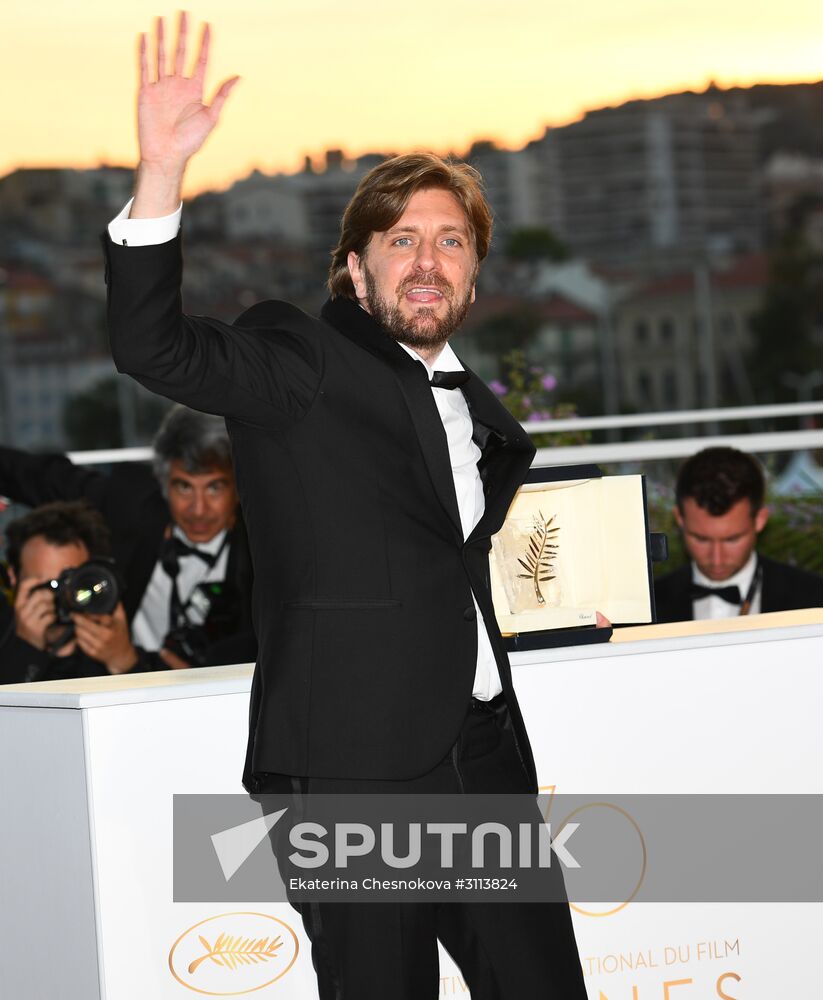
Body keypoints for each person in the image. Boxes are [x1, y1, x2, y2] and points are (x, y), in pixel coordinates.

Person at [103, 13, 586, 998]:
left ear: (474, 271)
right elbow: (159, 349)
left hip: (482, 753)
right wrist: (160, 176)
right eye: (400, 238)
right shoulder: (301, 361)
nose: (426, 259)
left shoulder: (473, 405)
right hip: (354, 771)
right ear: (355, 267)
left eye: (449, 241)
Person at [0, 405, 255, 669]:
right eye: (184, 487)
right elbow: (37, 477)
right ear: (164, 484)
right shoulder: (130, 504)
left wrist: (127, 659)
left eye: (215, 488)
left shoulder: (261, 551)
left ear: (238, 487)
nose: (198, 509)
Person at [655, 446, 823, 623]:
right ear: (680, 519)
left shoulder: (814, 598)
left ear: (760, 519)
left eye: (732, 539)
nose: (717, 558)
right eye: (701, 539)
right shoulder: (647, 609)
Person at [0, 500, 150, 683]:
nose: (57, 598)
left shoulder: (112, 649)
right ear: (13, 577)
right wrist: (24, 653)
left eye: (70, 583)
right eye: (46, 586)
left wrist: (126, 664)